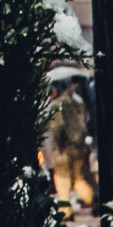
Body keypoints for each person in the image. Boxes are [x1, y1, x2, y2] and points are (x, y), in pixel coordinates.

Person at [46, 75, 94, 211]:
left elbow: (58, 126)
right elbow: (84, 123)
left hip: (63, 148)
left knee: (62, 181)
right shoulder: (78, 103)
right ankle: (91, 198)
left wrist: (59, 145)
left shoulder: (58, 104)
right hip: (78, 146)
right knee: (79, 178)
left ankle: (66, 211)